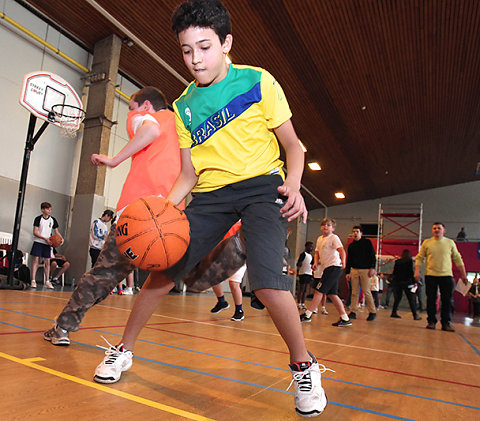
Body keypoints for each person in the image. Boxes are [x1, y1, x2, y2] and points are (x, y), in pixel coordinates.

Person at [92, 2, 331, 417]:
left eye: (204, 47)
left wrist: (293, 184)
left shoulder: (258, 81)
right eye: (186, 50)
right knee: (163, 270)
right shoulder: (184, 106)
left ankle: (304, 365)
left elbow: (293, 144)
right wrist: (163, 210)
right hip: (212, 194)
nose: (195, 58)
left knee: (268, 279)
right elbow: (187, 173)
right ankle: (123, 349)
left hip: (262, 189)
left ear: (226, 43)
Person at [43, 87, 245, 345]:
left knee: (103, 275)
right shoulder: (185, 125)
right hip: (171, 218)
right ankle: (236, 250)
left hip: (137, 214)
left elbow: (149, 130)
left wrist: (114, 160)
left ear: (146, 105)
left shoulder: (147, 118)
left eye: (131, 107)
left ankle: (62, 328)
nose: (130, 114)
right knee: (186, 274)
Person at [414, 222, 468, 332]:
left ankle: (446, 323)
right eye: (434, 228)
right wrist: (417, 271)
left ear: (444, 230)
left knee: (447, 300)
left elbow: (458, 258)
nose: (436, 230)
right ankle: (431, 322)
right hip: (430, 275)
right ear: (432, 230)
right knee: (431, 300)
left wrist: (463, 274)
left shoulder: (450, 243)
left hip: (446, 276)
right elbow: (419, 258)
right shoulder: (427, 243)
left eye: (439, 228)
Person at [300, 218, 351, 327]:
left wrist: (343, 261)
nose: (325, 227)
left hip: (334, 267)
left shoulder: (334, 237)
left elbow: (341, 250)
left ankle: (307, 315)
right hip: (326, 268)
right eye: (323, 225)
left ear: (333, 228)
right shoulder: (319, 239)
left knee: (319, 290)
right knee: (332, 294)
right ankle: (345, 318)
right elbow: (317, 252)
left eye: (328, 225)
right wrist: (315, 262)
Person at [345, 225, 377, 321]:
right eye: (354, 231)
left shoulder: (367, 242)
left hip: (365, 270)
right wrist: (347, 272)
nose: (355, 233)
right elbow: (349, 260)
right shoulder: (351, 246)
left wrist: (372, 268)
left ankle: (372, 311)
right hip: (354, 269)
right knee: (354, 292)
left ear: (361, 233)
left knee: (367, 291)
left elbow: (372, 256)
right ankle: (353, 311)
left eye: (357, 231)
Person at [30, 202, 62, 289]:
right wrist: (45, 238)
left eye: (50, 209)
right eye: (48, 209)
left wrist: (61, 238)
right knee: (35, 261)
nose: (50, 211)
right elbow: (35, 232)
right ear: (42, 210)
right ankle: (33, 280)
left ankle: (47, 281)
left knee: (47, 262)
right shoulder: (38, 219)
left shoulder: (53, 220)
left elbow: (56, 232)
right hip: (38, 242)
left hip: (47, 244)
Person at [390, 250, 421, 320]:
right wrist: (414, 282)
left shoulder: (397, 262)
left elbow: (394, 273)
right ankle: (415, 315)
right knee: (411, 299)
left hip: (397, 282)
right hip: (407, 282)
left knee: (397, 298)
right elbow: (410, 272)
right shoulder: (409, 261)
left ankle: (393, 312)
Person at [296, 241, 314, 310]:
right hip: (303, 273)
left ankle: (303, 303)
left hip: (309, 273)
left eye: (312, 247)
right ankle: (298, 303)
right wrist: (300, 264)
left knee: (306, 289)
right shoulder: (303, 254)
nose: (311, 248)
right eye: (310, 246)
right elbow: (298, 263)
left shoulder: (311, 256)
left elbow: (312, 265)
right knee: (302, 289)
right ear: (306, 247)